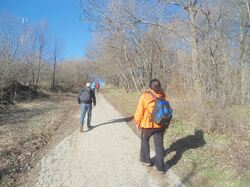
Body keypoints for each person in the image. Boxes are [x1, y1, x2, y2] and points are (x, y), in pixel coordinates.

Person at [134, 79, 169, 174]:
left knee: (144, 140)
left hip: (147, 125)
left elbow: (139, 111)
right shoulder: (163, 95)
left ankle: (145, 160)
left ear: (150, 87)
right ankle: (161, 167)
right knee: (159, 146)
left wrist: (137, 122)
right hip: (160, 124)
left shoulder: (145, 96)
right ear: (160, 86)